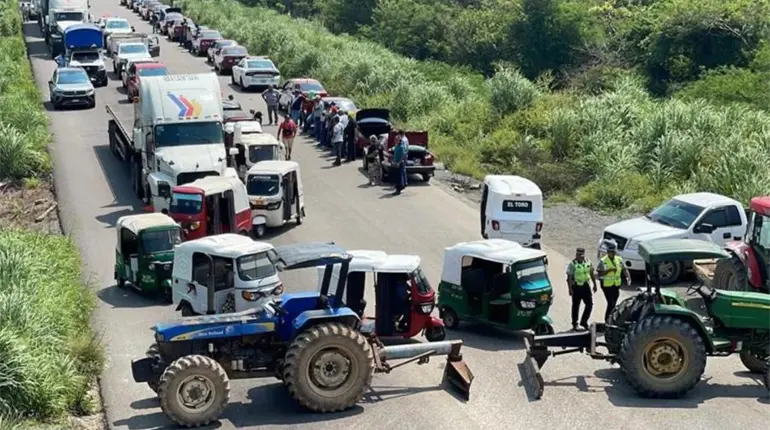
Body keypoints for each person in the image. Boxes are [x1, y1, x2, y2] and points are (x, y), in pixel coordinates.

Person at [596, 240, 632, 322]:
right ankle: (607, 320)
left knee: (614, 303)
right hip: (607, 286)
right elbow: (599, 274)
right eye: (611, 252)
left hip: (616, 285)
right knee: (611, 303)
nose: (613, 254)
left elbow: (624, 269)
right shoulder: (603, 261)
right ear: (608, 252)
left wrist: (628, 277)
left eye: (614, 252)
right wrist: (609, 270)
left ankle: (611, 319)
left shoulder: (618, 259)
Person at [566, 247, 597, 331]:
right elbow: (569, 277)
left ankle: (584, 321)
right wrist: (570, 289)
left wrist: (595, 284)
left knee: (589, 305)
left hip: (586, 286)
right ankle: (574, 323)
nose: (580, 256)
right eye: (578, 254)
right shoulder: (572, 264)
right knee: (576, 306)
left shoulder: (588, 262)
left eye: (581, 254)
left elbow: (591, 273)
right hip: (576, 287)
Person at [391, 130, 409, 195]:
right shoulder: (396, 146)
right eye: (395, 139)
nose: (395, 140)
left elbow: (403, 155)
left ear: (399, 140)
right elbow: (395, 154)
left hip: (399, 162)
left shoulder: (401, 146)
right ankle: (400, 186)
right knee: (396, 176)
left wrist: (399, 162)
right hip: (396, 162)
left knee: (399, 176)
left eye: (396, 139)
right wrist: (393, 160)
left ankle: (399, 189)